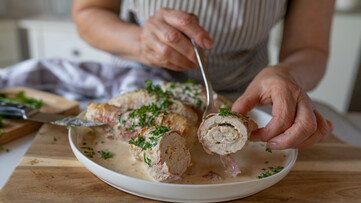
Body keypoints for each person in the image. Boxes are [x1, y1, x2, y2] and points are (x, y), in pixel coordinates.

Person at [72, 0, 334, 150]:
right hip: (135, 89)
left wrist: (285, 72)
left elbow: (309, 49)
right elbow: (88, 13)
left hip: (245, 98)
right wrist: (140, 42)